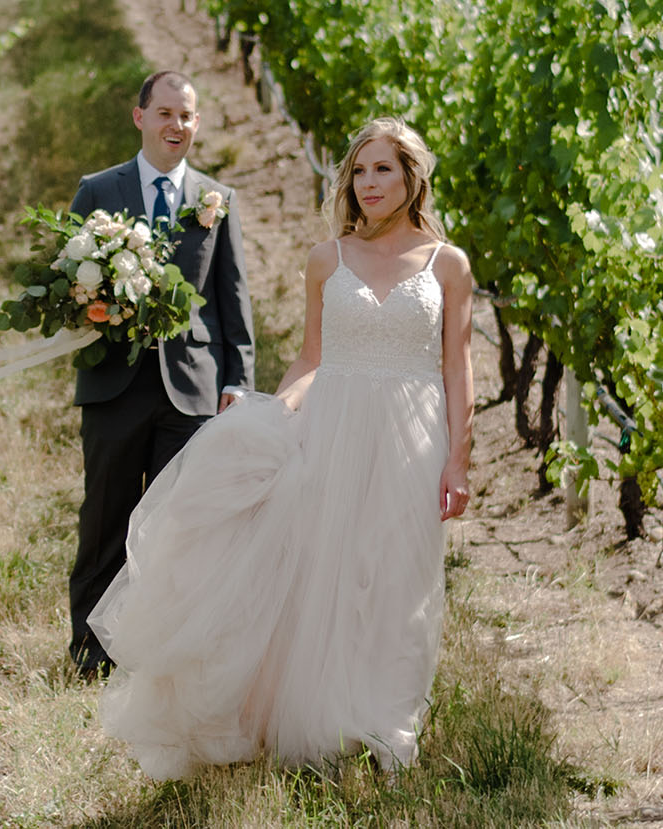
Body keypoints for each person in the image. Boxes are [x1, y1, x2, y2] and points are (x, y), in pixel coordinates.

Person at [90, 116, 474, 779]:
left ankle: (389, 721)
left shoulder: (448, 263)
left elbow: (459, 367)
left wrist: (459, 457)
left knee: (398, 576)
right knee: (329, 572)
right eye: (359, 170)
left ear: (412, 176)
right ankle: (329, 716)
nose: (369, 182)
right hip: (334, 427)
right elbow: (311, 360)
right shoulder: (328, 258)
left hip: (414, 435)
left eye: (383, 168)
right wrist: (268, 406)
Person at [65, 69, 257, 679]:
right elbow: (65, 287)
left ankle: (170, 657)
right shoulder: (97, 191)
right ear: (139, 116)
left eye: (188, 116)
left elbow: (233, 298)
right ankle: (92, 654)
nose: (178, 124)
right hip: (115, 383)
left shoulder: (215, 199)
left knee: (183, 527)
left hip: (193, 384)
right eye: (167, 112)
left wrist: (238, 382)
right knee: (106, 520)